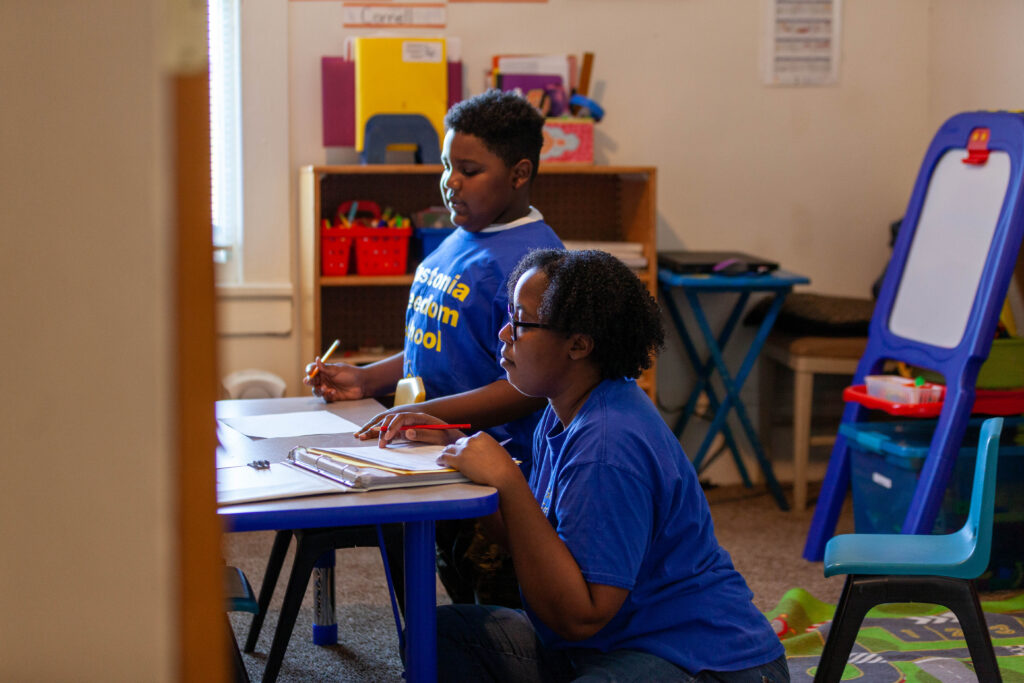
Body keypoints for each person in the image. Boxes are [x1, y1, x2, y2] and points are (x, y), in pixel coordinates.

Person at [376, 249, 789, 682]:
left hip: (709, 661)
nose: (504, 332)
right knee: (438, 636)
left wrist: (508, 482)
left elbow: (581, 617)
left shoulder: (608, 445)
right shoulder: (563, 409)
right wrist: (458, 445)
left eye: (520, 321)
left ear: (578, 343)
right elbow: (529, 539)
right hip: (614, 644)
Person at [306, 89, 564, 606]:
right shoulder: (459, 237)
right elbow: (440, 341)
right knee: (444, 589)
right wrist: (367, 378)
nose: (451, 182)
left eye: (469, 169)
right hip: (435, 451)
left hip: (498, 475)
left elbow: (534, 388)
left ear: (519, 173)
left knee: (499, 618)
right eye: (447, 165)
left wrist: (428, 413)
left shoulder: (536, 264)